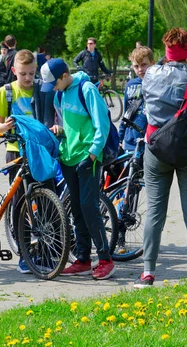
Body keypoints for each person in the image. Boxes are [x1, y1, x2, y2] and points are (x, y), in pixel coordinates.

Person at [135, 28, 187, 288]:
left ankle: (148, 272)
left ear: (166, 50)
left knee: (155, 211)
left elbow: (147, 104)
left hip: (155, 149)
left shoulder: (149, 74)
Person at [43, 58, 116, 280]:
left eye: (54, 83)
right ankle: (83, 259)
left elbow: (101, 124)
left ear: (64, 76)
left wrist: (93, 153)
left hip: (88, 157)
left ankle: (105, 259)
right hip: (68, 157)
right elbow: (68, 125)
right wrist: (60, 130)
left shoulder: (87, 89)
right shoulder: (59, 93)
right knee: (76, 209)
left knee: (89, 207)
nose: (52, 88)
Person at [0, 49, 47, 274]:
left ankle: (45, 250)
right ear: (14, 71)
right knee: (19, 203)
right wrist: (5, 127)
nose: (27, 78)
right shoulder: (6, 92)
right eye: (23, 73)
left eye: (31, 73)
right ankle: (24, 254)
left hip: (40, 150)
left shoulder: (42, 90)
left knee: (44, 199)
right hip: (15, 152)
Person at [118, 46, 152, 152]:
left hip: (150, 141)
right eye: (136, 66)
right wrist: (120, 138)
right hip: (131, 142)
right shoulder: (130, 85)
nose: (140, 69)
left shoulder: (158, 83)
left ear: (153, 63)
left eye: (144, 65)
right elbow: (127, 113)